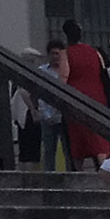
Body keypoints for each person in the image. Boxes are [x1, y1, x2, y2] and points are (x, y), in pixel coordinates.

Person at [60, 20, 110, 169]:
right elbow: (104, 73)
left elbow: (63, 77)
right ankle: (105, 169)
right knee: (99, 138)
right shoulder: (95, 52)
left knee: (79, 139)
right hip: (97, 96)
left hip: (76, 98)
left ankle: (79, 174)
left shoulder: (66, 53)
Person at [38, 40, 72, 172]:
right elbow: (40, 93)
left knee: (67, 149)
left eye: (58, 53)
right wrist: (44, 114)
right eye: (53, 53)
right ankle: (49, 175)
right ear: (48, 54)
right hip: (48, 114)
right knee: (49, 149)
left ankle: (70, 173)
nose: (56, 56)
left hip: (64, 116)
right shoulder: (42, 71)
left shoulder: (68, 70)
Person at [10, 50, 43, 166]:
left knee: (24, 146)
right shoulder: (29, 75)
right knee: (33, 146)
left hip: (22, 115)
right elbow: (23, 91)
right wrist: (33, 110)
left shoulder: (17, 74)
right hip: (29, 113)